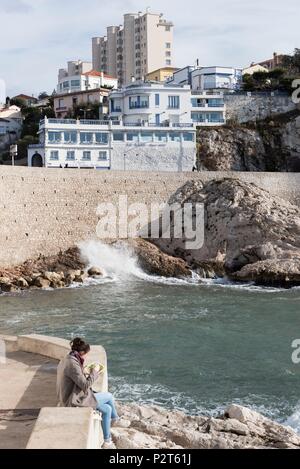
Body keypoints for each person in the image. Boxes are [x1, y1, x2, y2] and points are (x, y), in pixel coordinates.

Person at [57, 337, 119, 449]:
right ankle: (116, 420)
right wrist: (95, 372)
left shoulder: (70, 358)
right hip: (73, 400)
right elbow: (85, 385)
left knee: (107, 409)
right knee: (109, 396)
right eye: (86, 354)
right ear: (81, 353)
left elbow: (76, 377)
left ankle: (107, 442)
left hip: (75, 395)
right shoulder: (73, 363)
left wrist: (84, 371)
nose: (87, 356)